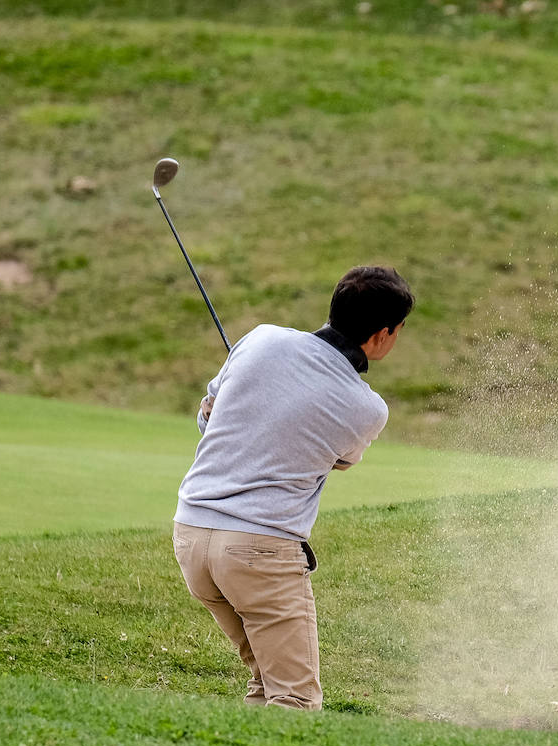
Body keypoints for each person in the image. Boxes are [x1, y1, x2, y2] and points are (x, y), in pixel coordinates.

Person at [171, 265, 413, 710]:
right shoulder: (367, 408)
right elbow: (339, 462)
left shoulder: (260, 338)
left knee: (266, 681)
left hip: (190, 536)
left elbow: (207, 418)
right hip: (259, 552)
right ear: (382, 336)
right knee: (295, 699)